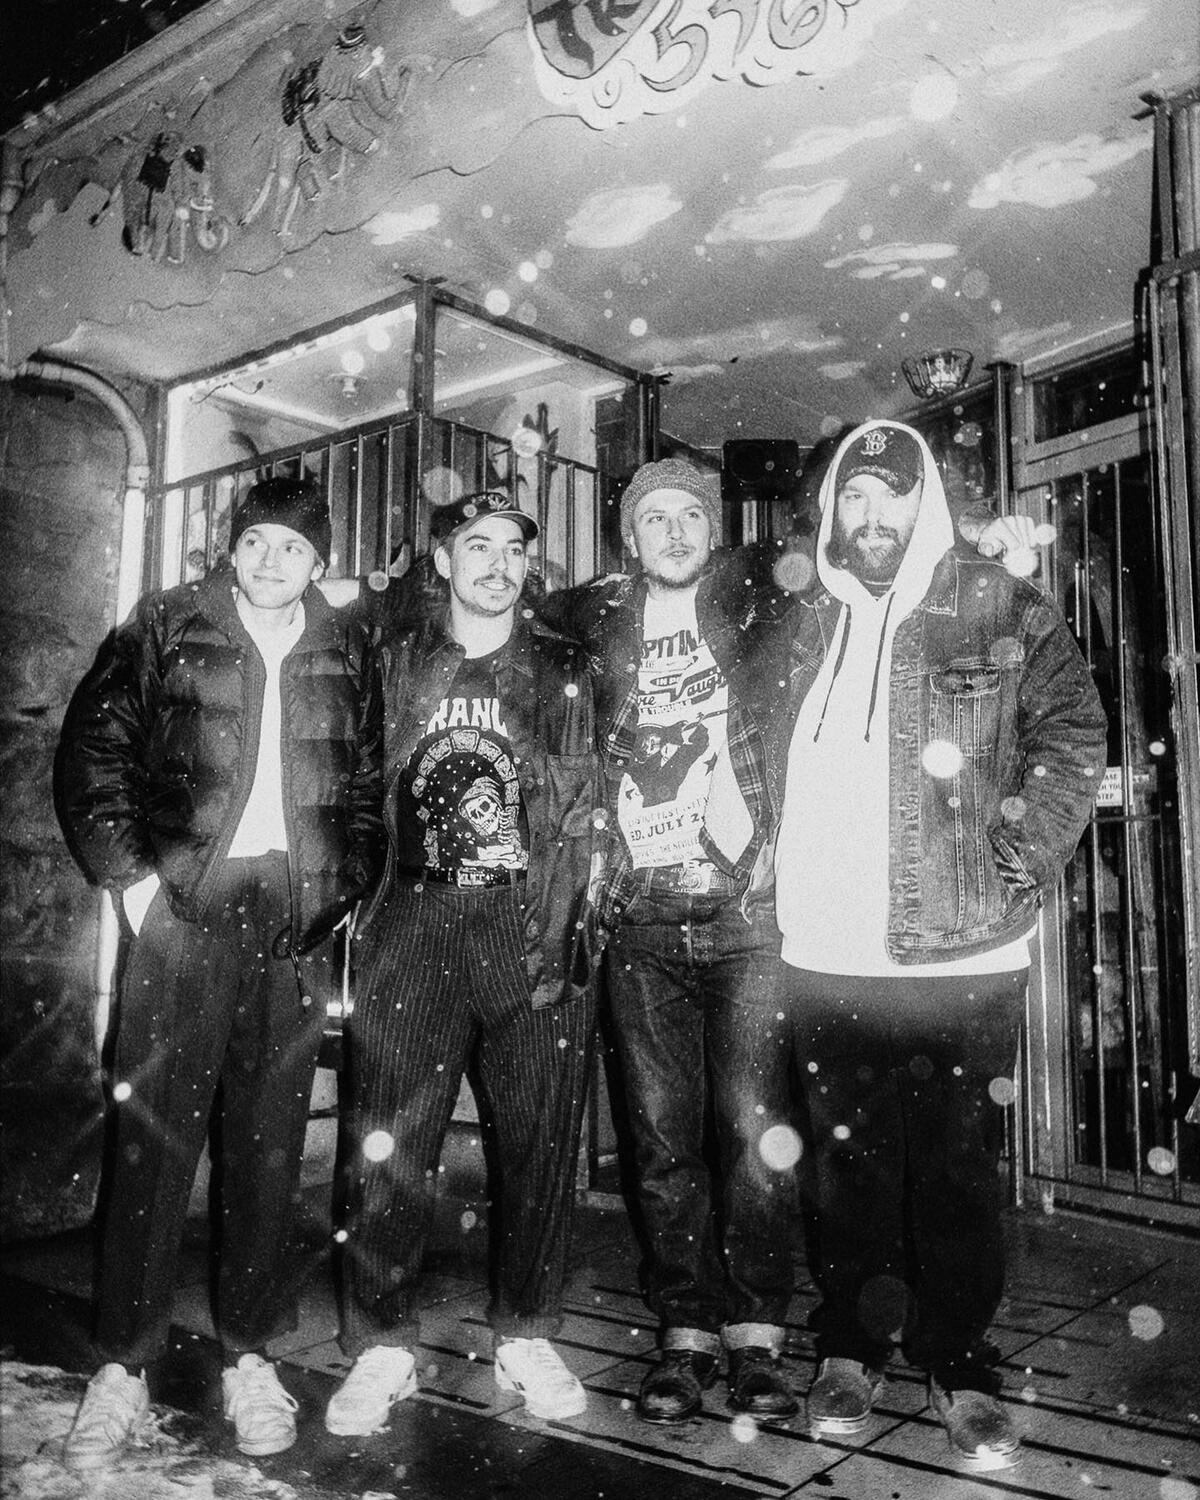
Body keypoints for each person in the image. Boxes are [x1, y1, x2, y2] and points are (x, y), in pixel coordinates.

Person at [541, 456, 1037, 1426]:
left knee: (757, 1134)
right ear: (628, 538)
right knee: (659, 1139)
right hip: (639, 913)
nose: (675, 533)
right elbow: (497, 604)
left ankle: (757, 1333)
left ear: (716, 530)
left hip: (750, 914)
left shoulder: (763, 602)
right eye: (655, 518)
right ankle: (686, 1330)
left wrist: (980, 533)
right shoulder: (593, 623)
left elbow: (870, 539)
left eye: (693, 515)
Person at [755, 420, 1105, 1467]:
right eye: (855, 497)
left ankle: (958, 1359)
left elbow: (1073, 731)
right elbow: (748, 730)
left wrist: (1022, 852)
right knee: (845, 1166)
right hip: (823, 947)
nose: (873, 517)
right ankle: (852, 1344)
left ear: (926, 505)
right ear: (832, 509)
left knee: (955, 1169)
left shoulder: (997, 602)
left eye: (893, 496)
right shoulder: (800, 618)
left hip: (963, 951)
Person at [55, 477, 384, 1467]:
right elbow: (93, 752)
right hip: (186, 908)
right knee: (154, 1142)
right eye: (256, 542)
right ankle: (122, 1365)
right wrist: (135, 887)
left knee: (269, 1147)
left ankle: (251, 1355)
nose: (271, 560)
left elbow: (369, 782)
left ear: (319, 561)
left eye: (293, 546)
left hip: (292, 915)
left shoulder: (346, 644)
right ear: (232, 550)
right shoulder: (166, 624)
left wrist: (340, 890)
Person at [325, 491, 600, 1435]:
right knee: (388, 1137)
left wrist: (575, 918)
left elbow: (591, 800)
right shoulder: (389, 656)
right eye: (476, 546)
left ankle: (527, 1329)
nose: (497, 563)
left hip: (529, 921)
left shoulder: (567, 665)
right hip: (414, 918)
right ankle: (382, 1343)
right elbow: (353, 778)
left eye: (513, 548)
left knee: (539, 1139)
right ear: (441, 561)